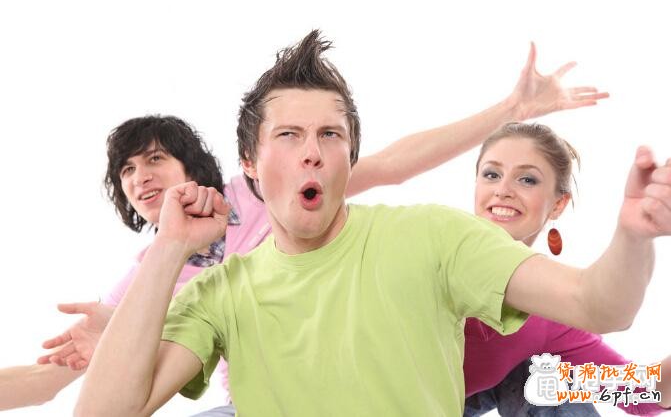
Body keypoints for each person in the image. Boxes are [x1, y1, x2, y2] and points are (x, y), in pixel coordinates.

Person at [0, 32, 608, 414]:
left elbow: (631, 377)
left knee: (548, 383)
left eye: (155, 160)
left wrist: (511, 108)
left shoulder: (276, 197)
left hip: (446, 393)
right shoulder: (159, 271)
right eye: (128, 171)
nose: (141, 179)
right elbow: (82, 386)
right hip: (270, 395)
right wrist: (116, 328)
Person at [462, 122, 671, 416]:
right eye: (492, 175)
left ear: (558, 204)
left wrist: (636, 232)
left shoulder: (548, 310)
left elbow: (640, 393)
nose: (502, 190)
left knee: (542, 374)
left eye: (527, 180)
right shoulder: (432, 247)